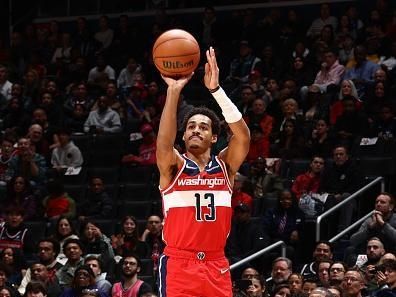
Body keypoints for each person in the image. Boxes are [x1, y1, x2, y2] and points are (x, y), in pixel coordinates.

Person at [156, 46, 250, 296]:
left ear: (214, 137)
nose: (196, 130)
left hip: (216, 263)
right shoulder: (173, 166)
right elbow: (164, 143)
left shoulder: (225, 167)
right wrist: (173, 91)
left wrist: (216, 91)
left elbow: (243, 136)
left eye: (203, 127)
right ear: (184, 135)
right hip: (179, 263)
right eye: (190, 126)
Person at [348, 193, 396, 258]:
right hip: (372, 253)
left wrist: (383, 224)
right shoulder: (370, 220)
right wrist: (370, 228)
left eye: (382, 202)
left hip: (391, 252)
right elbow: (353, 241)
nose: (378, 204)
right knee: (350, 250)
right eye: (377, 202)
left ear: (391, 207)